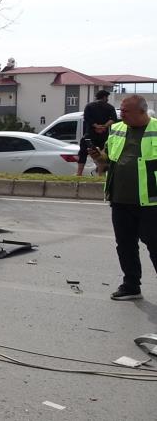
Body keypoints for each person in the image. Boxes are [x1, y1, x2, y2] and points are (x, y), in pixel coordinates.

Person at [88, 95, 157, 300]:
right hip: (120, 199)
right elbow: (107, 162)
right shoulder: (117, 129)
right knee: (125, 244)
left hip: (151, 202)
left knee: (155, 245)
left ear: (142, 112)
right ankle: (131, 285)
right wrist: (97, 157)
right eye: (121, 110)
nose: (121, 114)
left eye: (126, 111)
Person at [77, 89, 117, 176]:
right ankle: (100, 175)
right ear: (104, 97)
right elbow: (113, 119)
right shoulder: (110, 107)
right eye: (107, 97)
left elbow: (87, 118)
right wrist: (104, 127)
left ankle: (79, 173)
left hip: (89, 135)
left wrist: (96, 126)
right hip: (104, 136)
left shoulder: (89, 106)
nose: (108, 99)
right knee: (102, 155)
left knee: (83, 153)